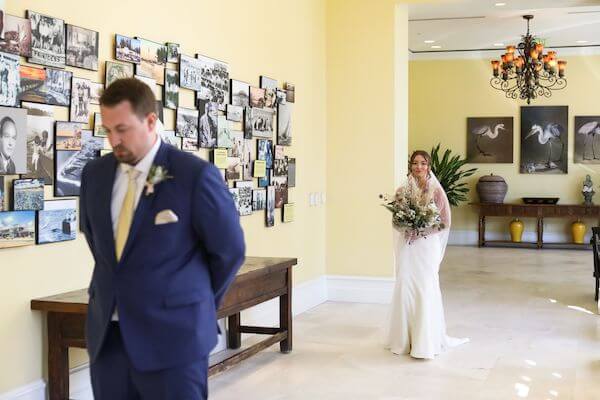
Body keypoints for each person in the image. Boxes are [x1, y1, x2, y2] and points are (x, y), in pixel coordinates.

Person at [79, 78, 245, 400]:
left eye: (123, 129)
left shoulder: (194, 176)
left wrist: (194, 304)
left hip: (175, 339)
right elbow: (101, 249)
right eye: (108, 130)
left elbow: (230, 251)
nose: (114, 139)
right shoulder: (94, 175)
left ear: (151, 121)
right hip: (108, 339)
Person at [385, 150, 468, 359]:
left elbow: (444, 222)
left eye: (423, 163)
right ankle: (403, 340)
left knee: (424, 286)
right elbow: (395, 220)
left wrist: (421, 230)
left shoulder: (436, 191)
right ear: (410, 166)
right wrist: (407, 228)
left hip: (426, 247)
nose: (419, 167)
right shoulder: (402, 190)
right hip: (408, 246)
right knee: (405, 285)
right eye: (415, 163)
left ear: (428, 166)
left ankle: (425, 341)